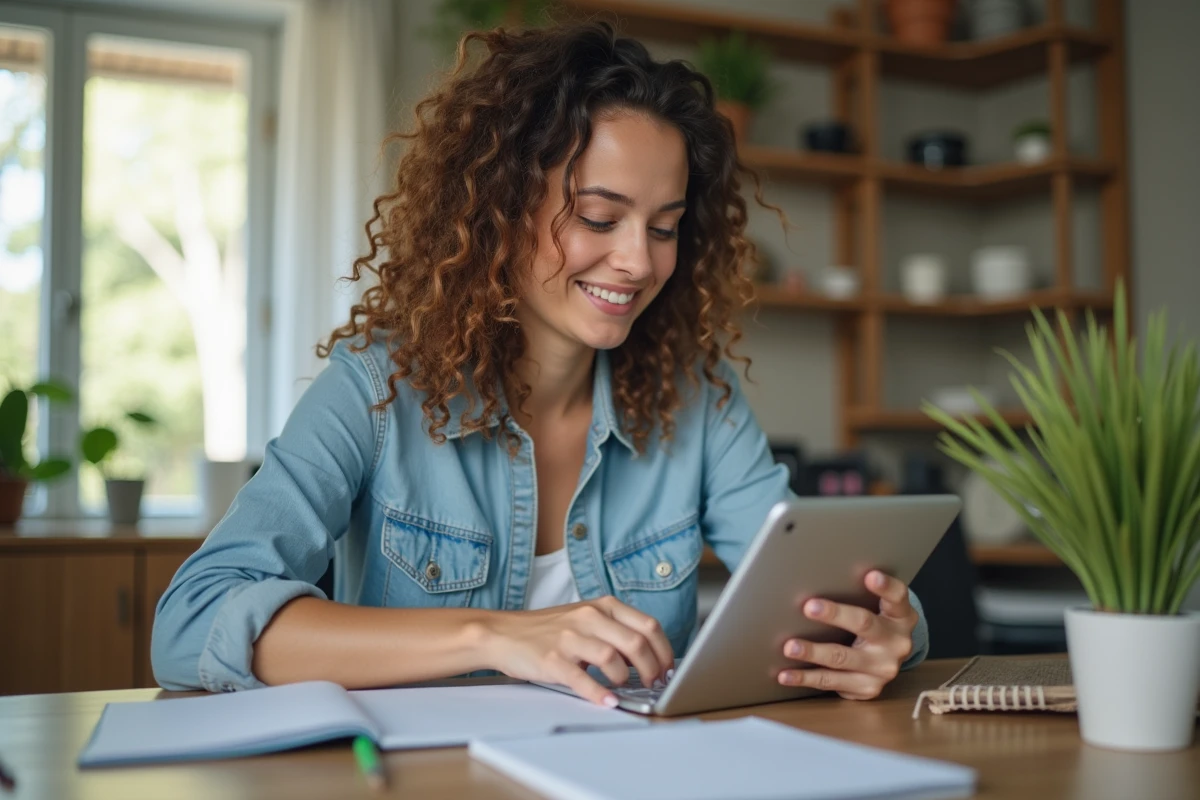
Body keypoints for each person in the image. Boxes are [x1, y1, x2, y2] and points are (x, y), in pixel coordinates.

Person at [152, 21, 928, 706]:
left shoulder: (697, 399)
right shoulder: (375, 388)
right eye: (598, 217)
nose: (636, 261)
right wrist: (494, 636)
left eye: (664, 227)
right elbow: (192, 621)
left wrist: (886, 633)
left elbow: (817, 587)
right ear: (499, 208)